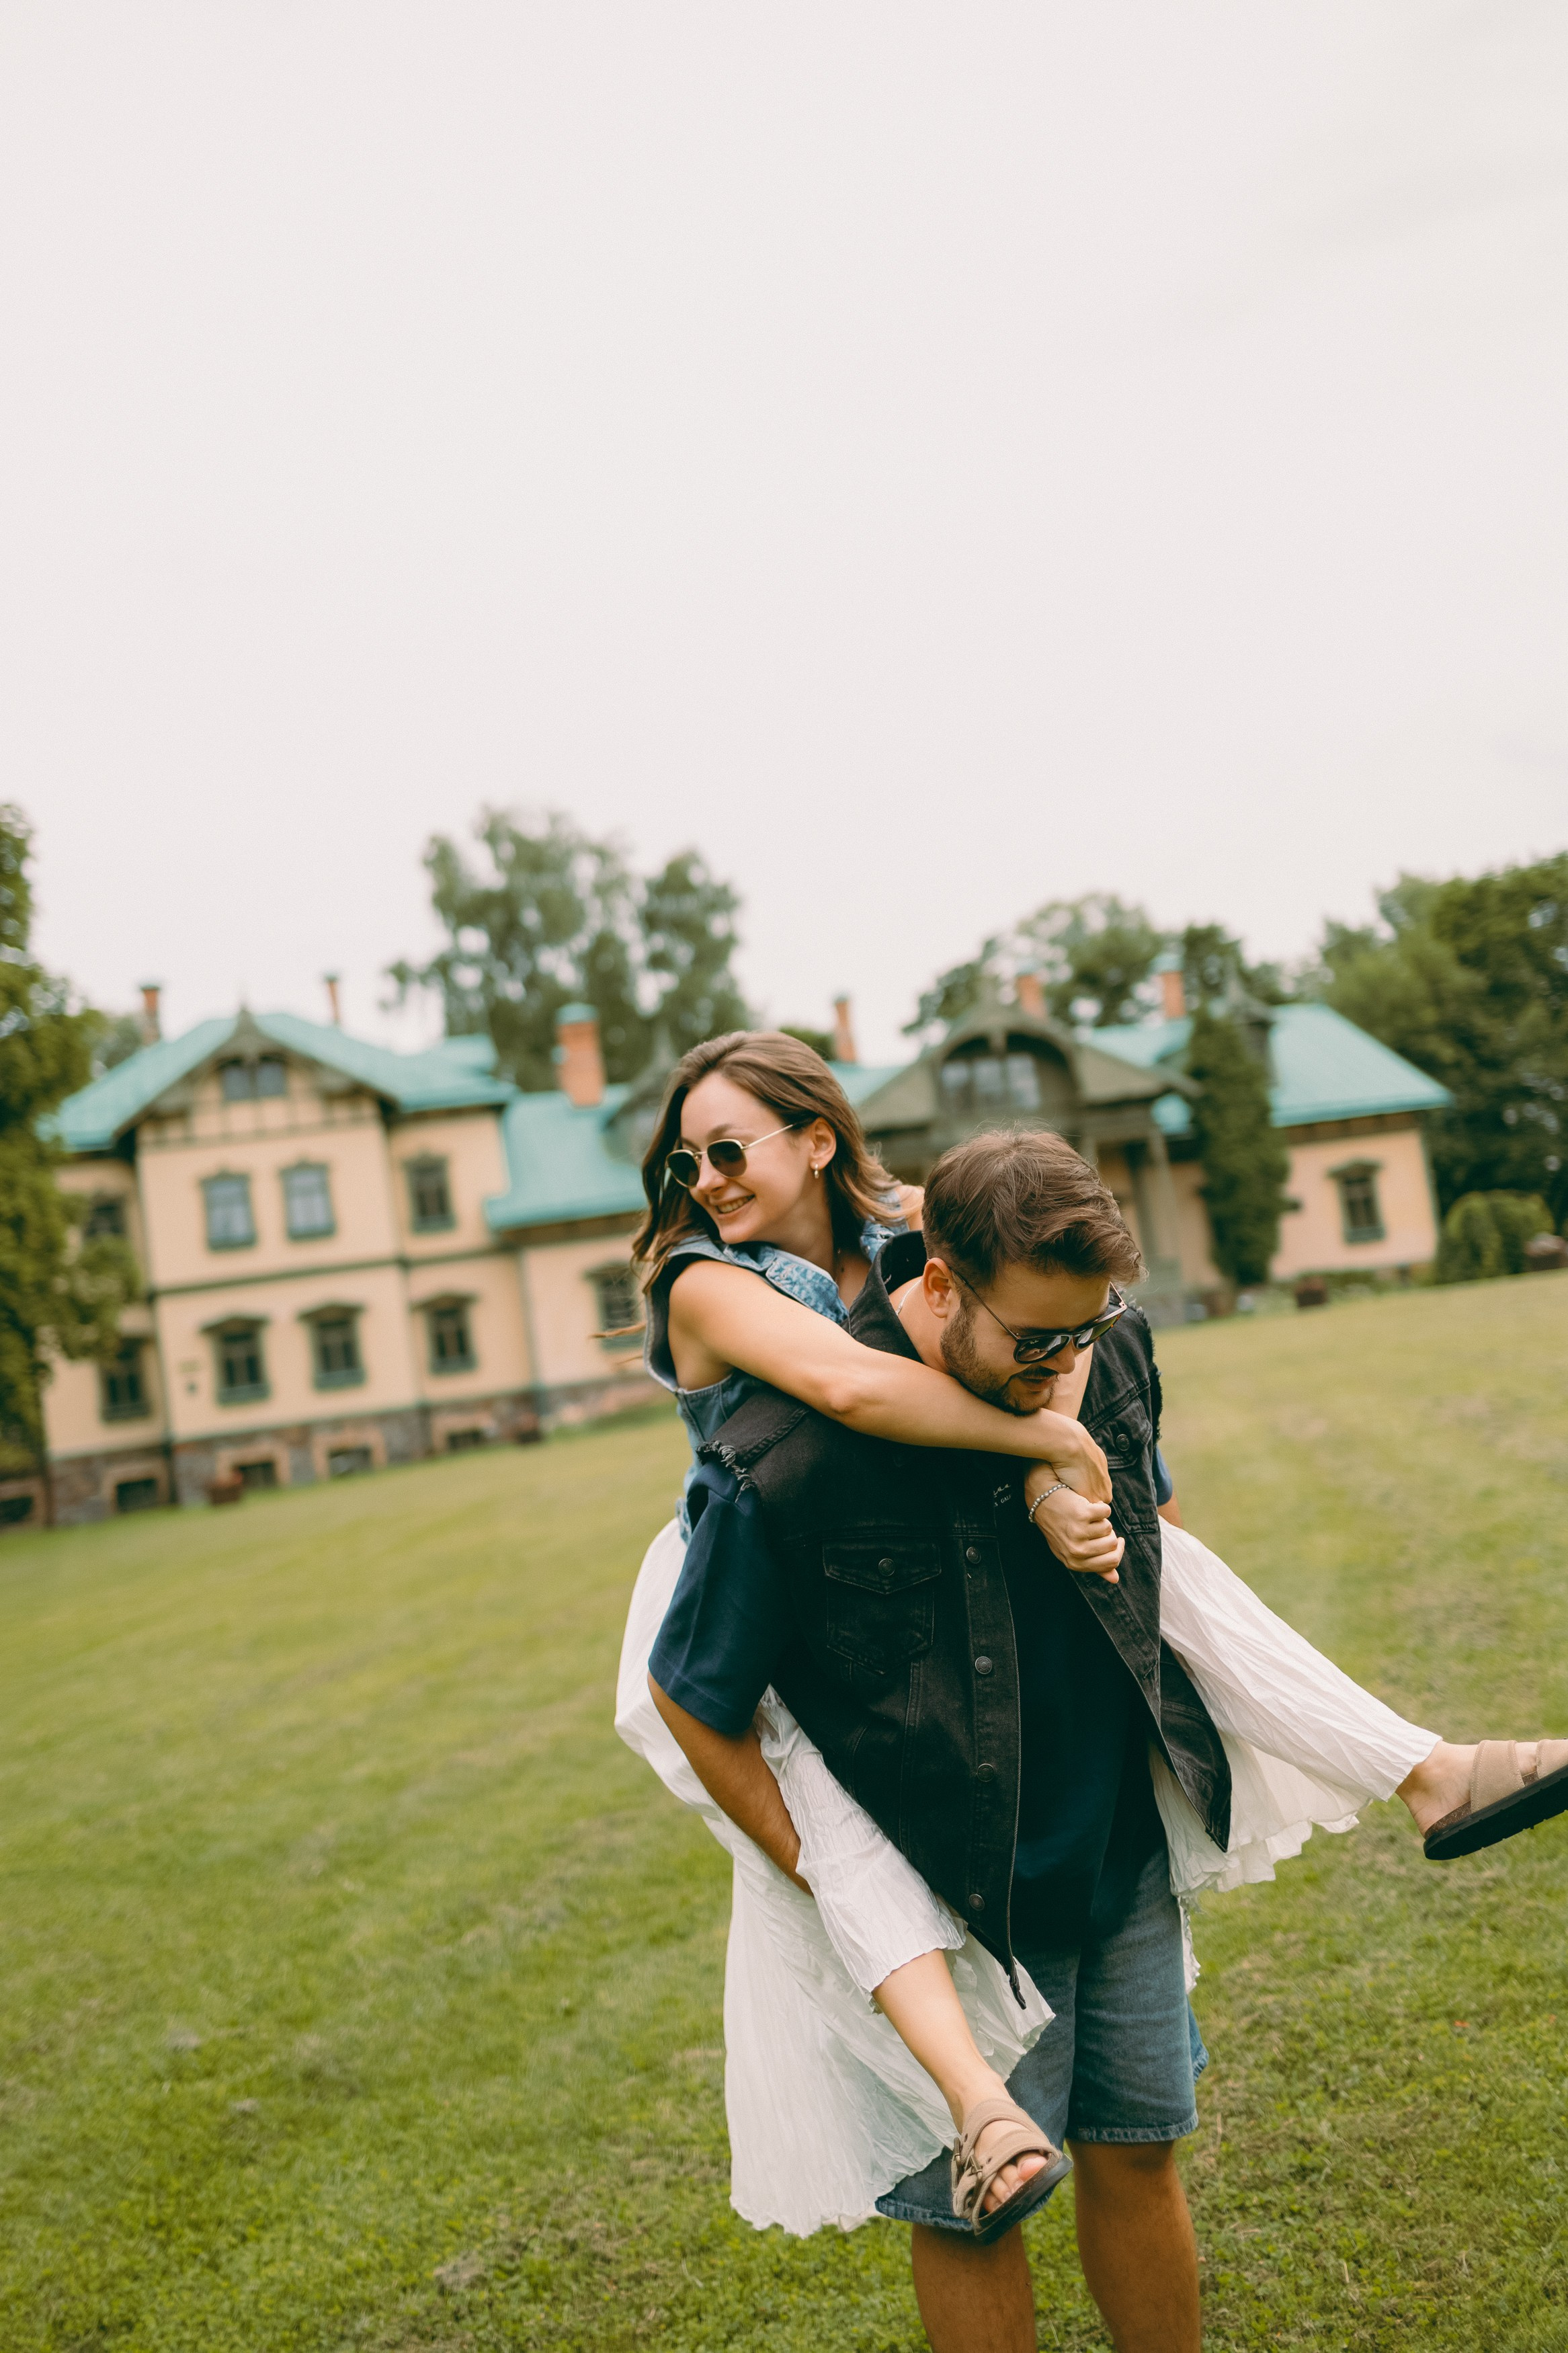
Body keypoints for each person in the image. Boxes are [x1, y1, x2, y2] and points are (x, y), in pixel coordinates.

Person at [614, 1034, 1568, 2343]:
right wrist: (1044, 1432)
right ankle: (970, 2087)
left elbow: (1135, 1500)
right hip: (857, 1723)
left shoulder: (994, 1284)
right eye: (692, 1157)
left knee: (1139, 2134)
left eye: (732, 1149)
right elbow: (844, 1385)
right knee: (938, 2102)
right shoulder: (725, 1315)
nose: (708, 1177)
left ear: (818, 1140)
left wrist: (1066, 1441)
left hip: (1078, 1776)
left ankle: (1424, 1766)